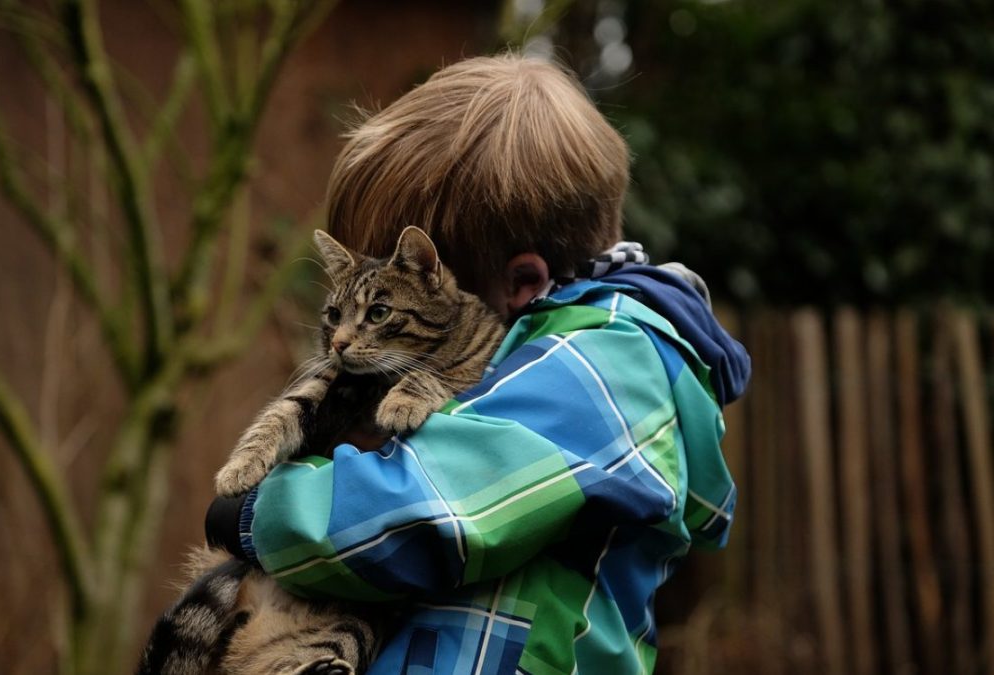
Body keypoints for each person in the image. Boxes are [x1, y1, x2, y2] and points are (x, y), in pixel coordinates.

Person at [206, 54, 750, 674]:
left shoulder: (606, 363)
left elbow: (424, 515)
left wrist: (255, 517)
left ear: (521, 284)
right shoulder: (555, 353)